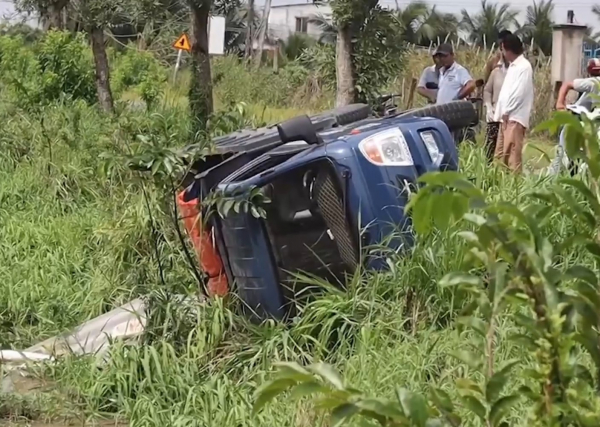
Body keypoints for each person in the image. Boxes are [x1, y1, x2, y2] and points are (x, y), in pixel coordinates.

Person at [549, 58, 600, 175]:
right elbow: (567, 84)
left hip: (590, 122)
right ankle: (552, 181)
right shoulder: (594, 82)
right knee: (564, 154)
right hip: (579, 119)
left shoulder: (593, 82)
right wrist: (560, 104)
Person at [493, 34, 534, 173]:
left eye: (503, 50)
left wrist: (507, 111)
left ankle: (514, 189)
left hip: (514, 117)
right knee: (500, 156)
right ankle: (497, 185)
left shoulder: (524, 66)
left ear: (507, 49)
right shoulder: (513, 66)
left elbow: (518, 92)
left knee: (512, 157)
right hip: (506, 117)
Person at [483, 55, 509, 163]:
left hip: (509, 116)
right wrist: (488, 106)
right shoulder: (496, 72)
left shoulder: (519, 73)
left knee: (506, 149)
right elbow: (487, 90)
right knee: (490, 148)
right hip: (495, 115)